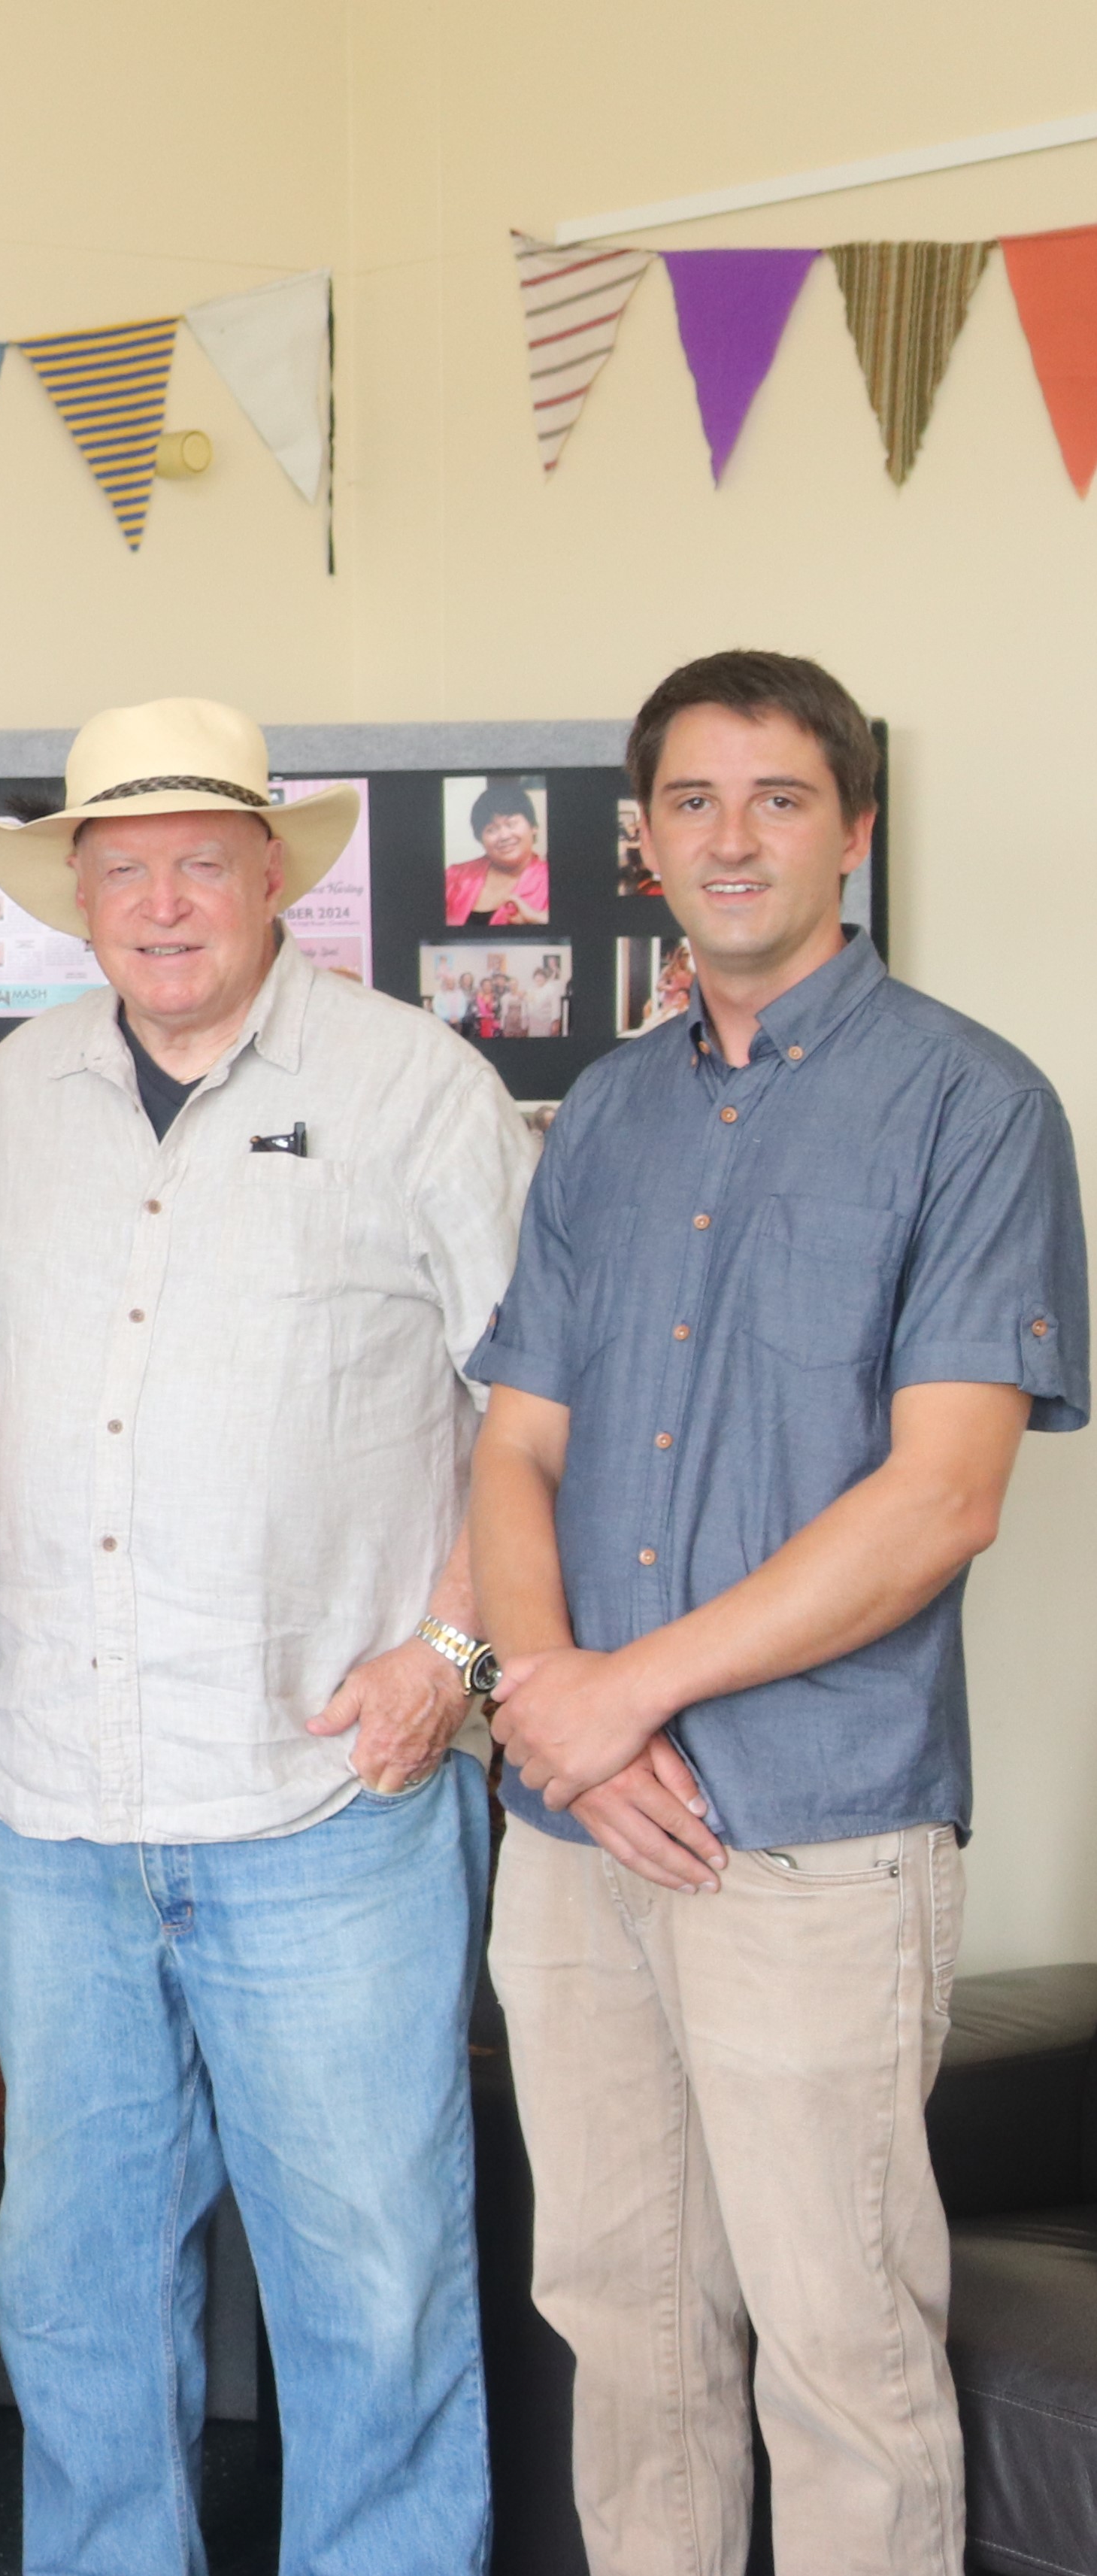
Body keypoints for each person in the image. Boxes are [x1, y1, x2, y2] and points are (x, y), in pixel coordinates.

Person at [468, 649, 1084, 2576]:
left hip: (811, 1830)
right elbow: (510, 1457)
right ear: (640, 844)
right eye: (692, 802)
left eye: (779, 798)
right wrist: (546, 1708)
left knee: (836, 2346)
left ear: (853, 828)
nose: (731, 837)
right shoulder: (602, 1116)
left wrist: (610, 1696)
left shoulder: (971, 1107)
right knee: (622, 2327)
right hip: (577, 1837)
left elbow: (938, 1500)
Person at [0, 698, 534, 2571]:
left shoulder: (414, 1084)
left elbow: (532, 1412)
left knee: (370, 2287)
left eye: (201, 859)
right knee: (72, 2287)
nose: (162, 901)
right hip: (52, 1801)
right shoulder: (15, 1091)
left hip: (324, 1794)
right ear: (73, 900)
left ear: (275, 875)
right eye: (121, 869)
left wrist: (455, 1647)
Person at [448, 782, 552, 926]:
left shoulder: (552, 879)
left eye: (511, 824)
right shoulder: (454, 876)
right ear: (480, 839)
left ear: (533, 827)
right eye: (491, 830)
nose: (504, 836)